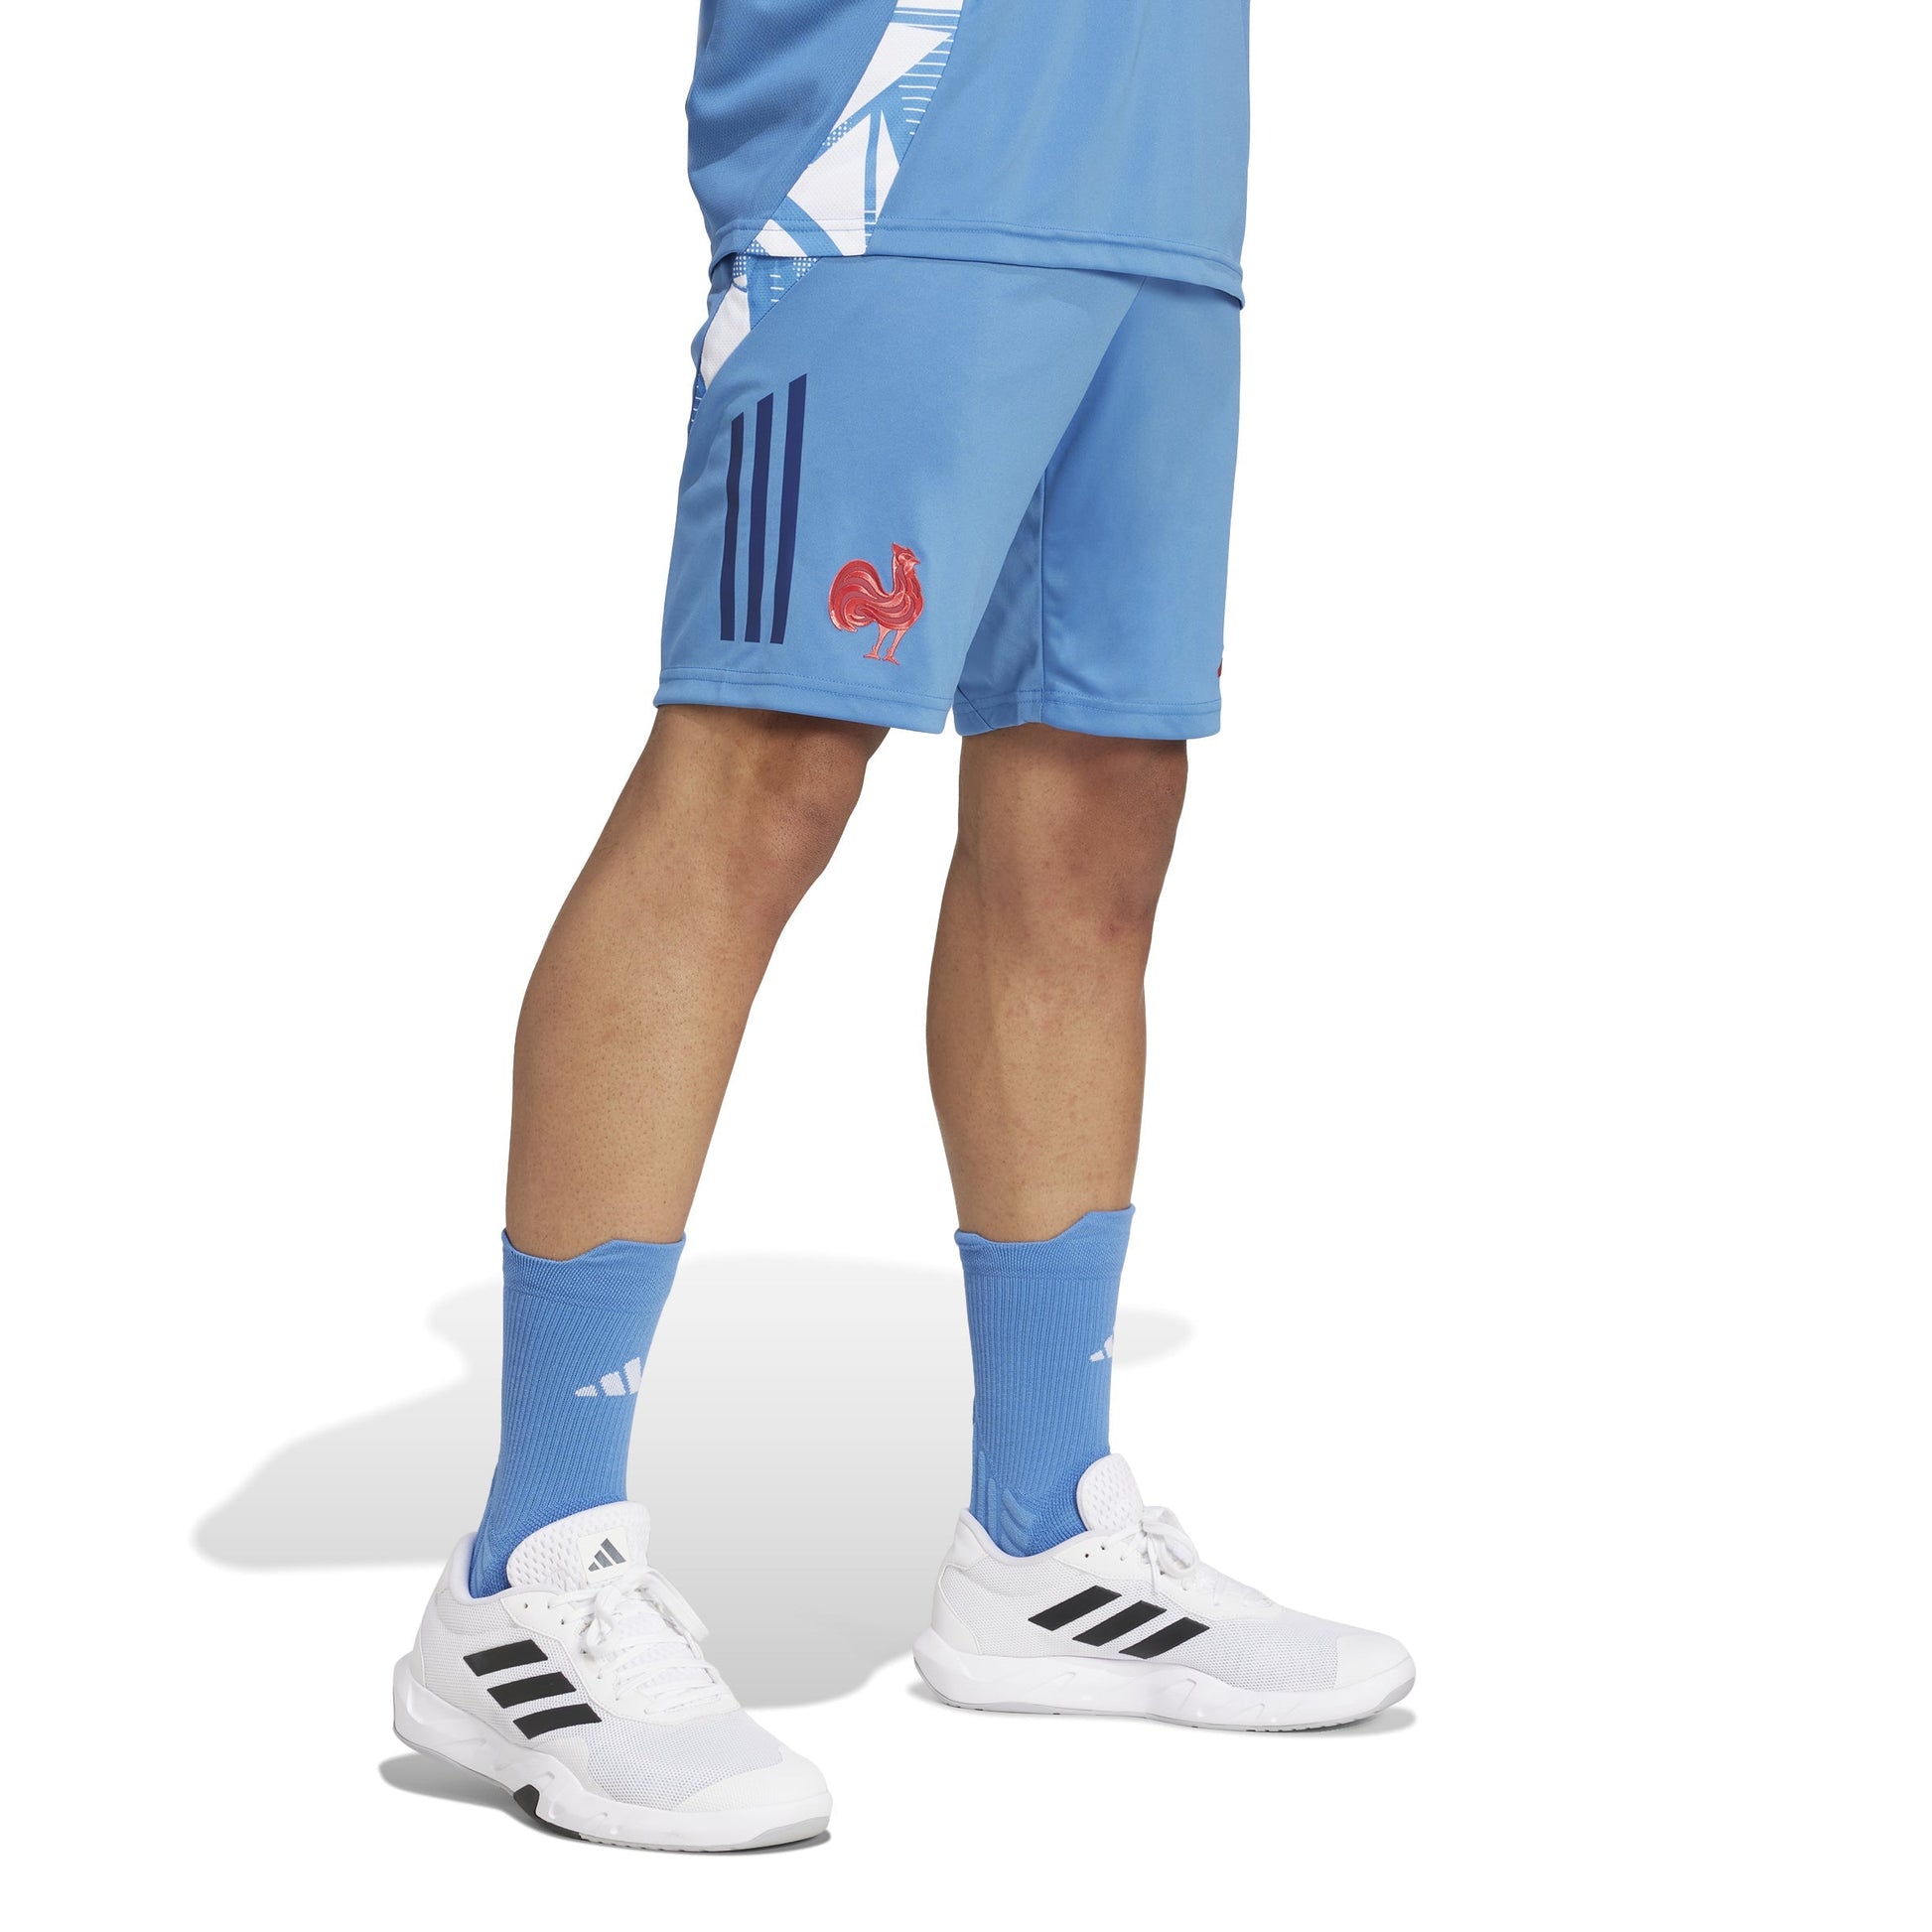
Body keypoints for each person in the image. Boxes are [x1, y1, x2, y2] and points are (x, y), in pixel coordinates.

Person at [393, 0, 1412, 1852]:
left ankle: (1041, 1537)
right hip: (899, 123)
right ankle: (526, 1572)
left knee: (1098, 800)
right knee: (762, 768)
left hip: (1156, 158)